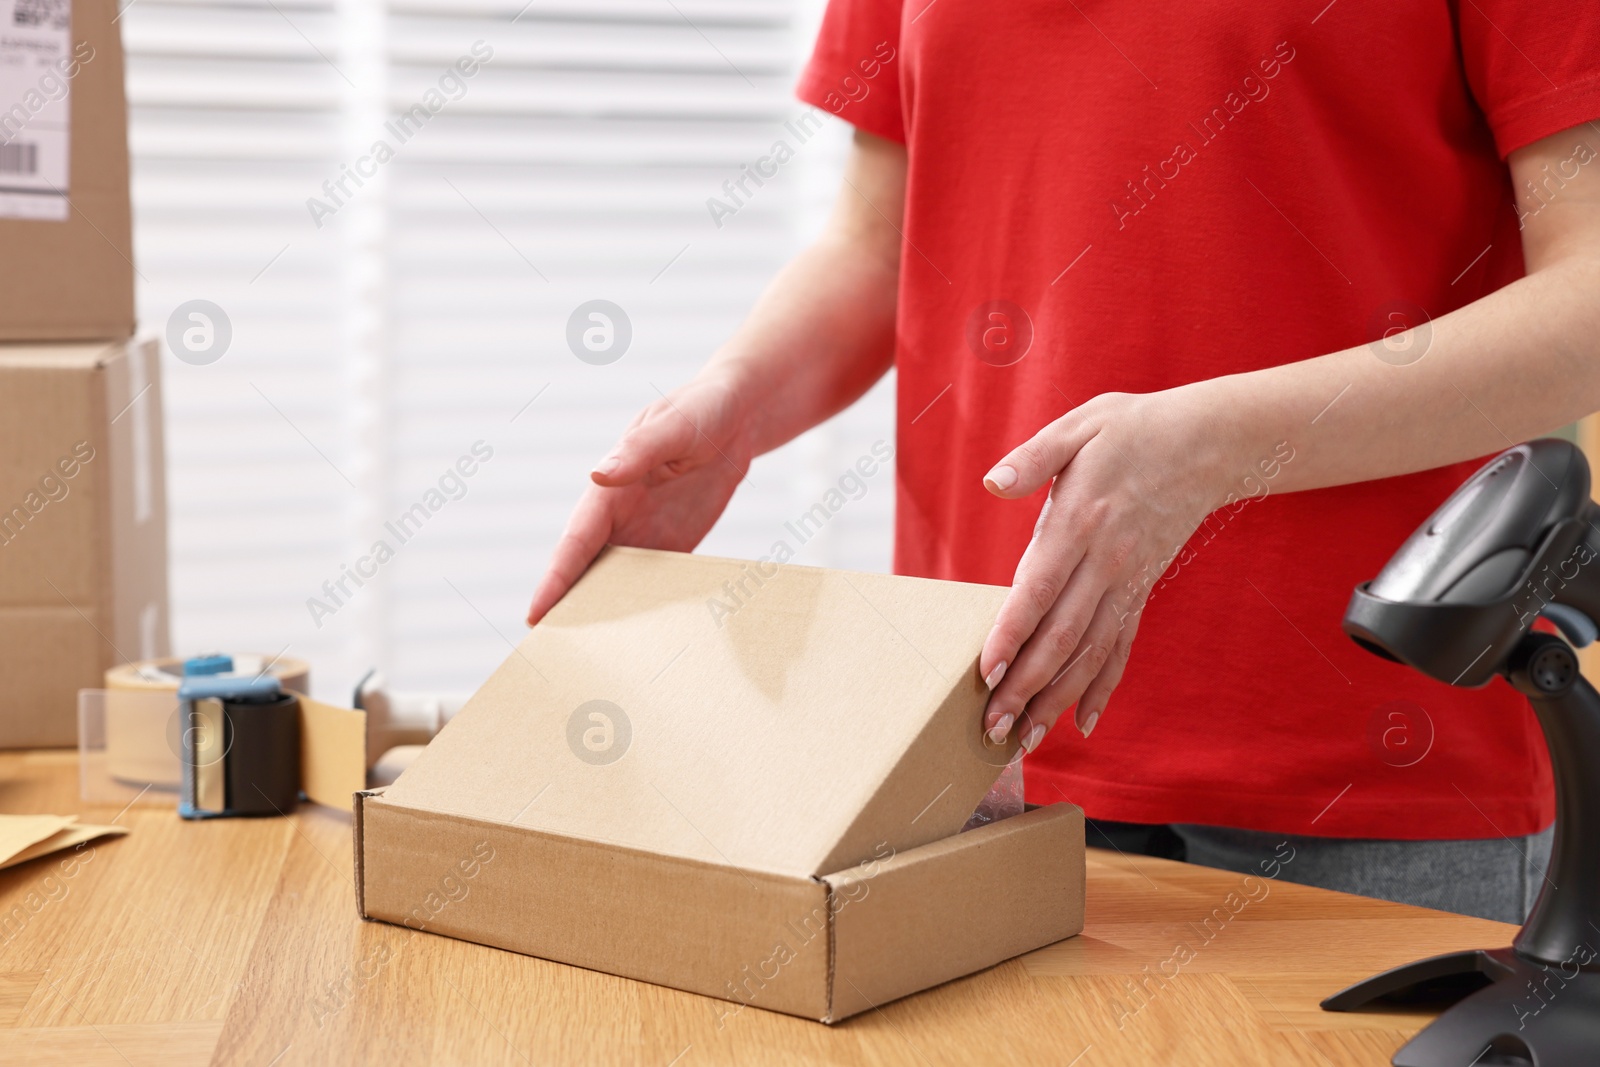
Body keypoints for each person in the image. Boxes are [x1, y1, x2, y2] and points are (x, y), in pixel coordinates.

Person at [528, 1, 1600, 923]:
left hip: (1373, 771)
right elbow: (882, 244)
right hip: (986, 739)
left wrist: (1215, 446)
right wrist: (736, 403)